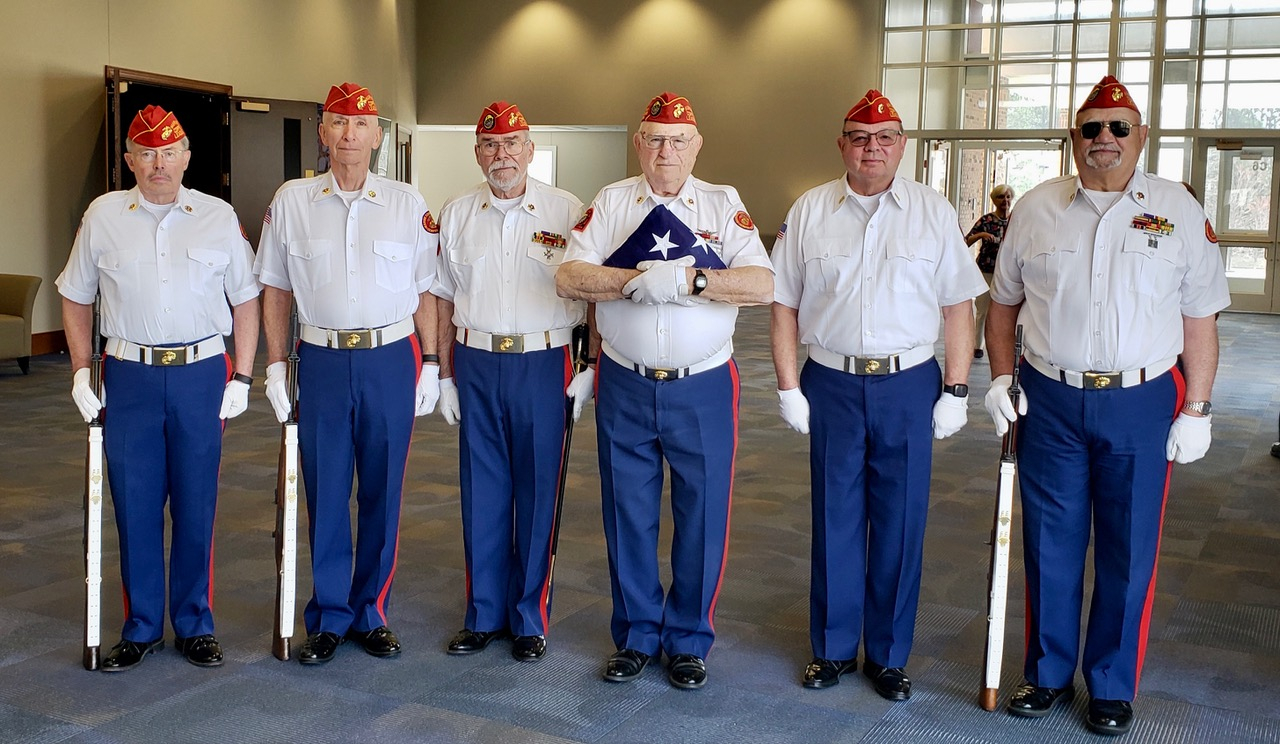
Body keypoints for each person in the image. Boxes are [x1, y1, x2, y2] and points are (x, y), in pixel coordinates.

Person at [985, 75, 1229, 736]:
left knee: (1129, 548)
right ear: (1073, 137)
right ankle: (1048, 673)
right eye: (1091, 127)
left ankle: (1113, 685)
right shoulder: (1036, 208)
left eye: (1119, 127)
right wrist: (1001, 379)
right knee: (1050, 542)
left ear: (1141, 136)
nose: (1104, 139)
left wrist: (1197, 408)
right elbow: (1002, 307)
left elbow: (1201, 318)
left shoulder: (1177, 208)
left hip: (1142, 400)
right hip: (1050, 398)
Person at [770, 90, 987, 701]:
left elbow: (957, 305)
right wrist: (789, 386)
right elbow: (782, 304)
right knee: (834, 518)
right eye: (861, 137)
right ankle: (833, 650)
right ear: (841, 144)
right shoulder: (810, 210)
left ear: (902, 146)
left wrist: (957, 388)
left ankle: (889, 655)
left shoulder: (933, 211)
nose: (872, 147)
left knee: (900, 521)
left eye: (885, 136)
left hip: (909, 384)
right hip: (831, 381)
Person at [556, 92, 774, 690]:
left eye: (678, 140)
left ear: (697, 146)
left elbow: (761, 282)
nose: (666, 150)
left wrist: (692, 278)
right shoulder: (610, 202)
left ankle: (687, 639)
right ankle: (635, 635)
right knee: (627, 513)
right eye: (654, 138)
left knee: (702, 514)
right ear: (638, 144)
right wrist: (634, 281)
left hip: (703, 384)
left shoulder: (722, 204)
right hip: (625, 379)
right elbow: (569, 274)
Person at [57, 105, 260, 671]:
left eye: (169, 153)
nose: (158, 164)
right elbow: (75, 295)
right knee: (136, 504)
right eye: (146, 153)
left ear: (187, 157)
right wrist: (79, 370)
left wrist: (242, 373)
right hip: (130, 377)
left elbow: (246, 298)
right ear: (129, 160)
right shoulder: (102, 216)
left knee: (197, 503)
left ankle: (195, 622)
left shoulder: (218, 217)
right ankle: (142, 625)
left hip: (201, 376)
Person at [256, 82, 440, 665]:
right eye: (338, 123)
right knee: (326, 488)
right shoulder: (291, 201)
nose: (348, 135)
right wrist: (276, 364)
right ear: (322, 132)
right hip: (323, 360)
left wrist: (433, 363)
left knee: (384, 490)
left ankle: (371, 610)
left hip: (391, 357)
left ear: (378, 135)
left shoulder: (409, 203)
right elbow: (276, 289)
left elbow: (429, 290)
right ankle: (330, 613)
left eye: (360, 125)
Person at [432, 101, 592, 662]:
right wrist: (442, 370)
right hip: (476, 363)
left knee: (538, 490)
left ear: (530, 149)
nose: (502, 155)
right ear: (478, 153)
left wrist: (590, 364)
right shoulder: (455, 213)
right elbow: (441, 296)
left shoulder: (567, 210)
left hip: (543, 363)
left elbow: (590, 287)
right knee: (483, 490)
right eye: (490, 145)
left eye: (512, 144)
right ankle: (482, 614)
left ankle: (529, 617)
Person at [964, 184, 1015, 359]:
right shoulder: (986, 221)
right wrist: (981, 236)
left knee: (1009, 310)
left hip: (1010, 273)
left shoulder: (1016, 220)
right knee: (982, 309)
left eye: (1008, 197)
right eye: (1001, 197)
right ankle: (977, 345)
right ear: (994, 200)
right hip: (986, 270)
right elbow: (965, 242)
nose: (1005, 201)